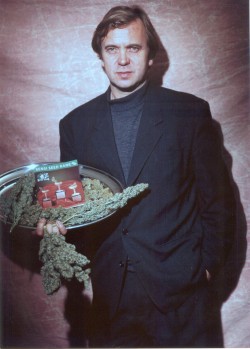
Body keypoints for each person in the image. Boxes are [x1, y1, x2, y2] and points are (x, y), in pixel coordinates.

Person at [37, 5, 235, 347]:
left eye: (134, 48)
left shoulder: (190, 113)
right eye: (112, 49)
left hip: (182, 298)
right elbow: (67, 211)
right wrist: (52, 227)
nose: (123, 60)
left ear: (151, 55)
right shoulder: (74, 125)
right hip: (111, 300)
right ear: (100, 56)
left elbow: (218, 204)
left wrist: (204, 269)